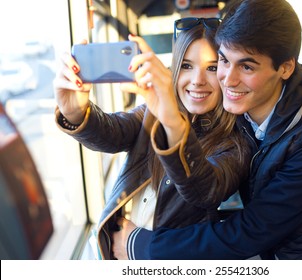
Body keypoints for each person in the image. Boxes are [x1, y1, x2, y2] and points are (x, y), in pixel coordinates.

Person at [116, 0, 302, 260]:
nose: (228, 80)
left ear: (285, 68)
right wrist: (76, 112)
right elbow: (202, 184)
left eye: (246, 66)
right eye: (223, 61)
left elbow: (252, 230)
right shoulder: (239, 115)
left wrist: (143, 246)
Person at [53, 18, 251, 259]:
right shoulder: (151, 113)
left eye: (211, 68)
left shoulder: (236, 142)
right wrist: (74, 111)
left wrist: (171, 120)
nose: (198, 80)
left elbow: (205, 190)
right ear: (174, 69)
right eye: (187, 66)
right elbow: (112, 133)